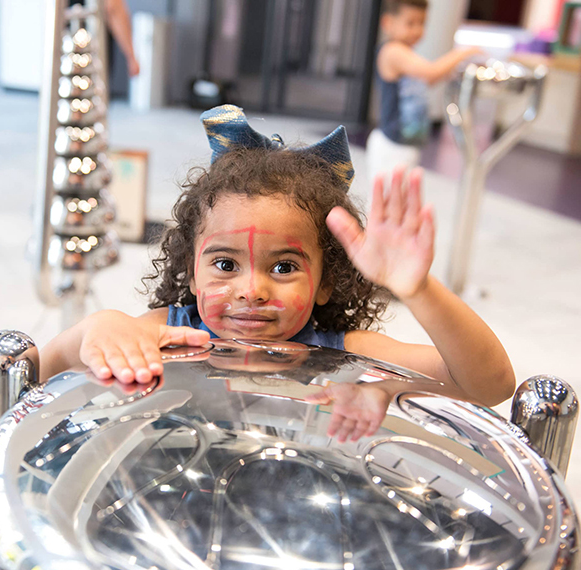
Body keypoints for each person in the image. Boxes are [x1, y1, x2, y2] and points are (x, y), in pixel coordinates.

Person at [40, 104, 515, 417]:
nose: (252, 290)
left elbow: (488, 385)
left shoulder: (345, 354)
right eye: (225, 265)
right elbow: (43, 371)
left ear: (327, 281)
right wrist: (96, 328)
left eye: (284, 267)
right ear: (191, 268)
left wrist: (419, 290)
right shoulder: (169, 332)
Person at [366, 0, 479, 187]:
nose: (417, 30)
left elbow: (432, 78)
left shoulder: (407, 53)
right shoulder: (392, 51)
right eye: (410, 23)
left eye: (422, 23)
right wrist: (463, 53)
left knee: (402, 200)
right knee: (387, 201)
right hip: (392, 145)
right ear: (388, 23)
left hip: (405, 144)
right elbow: (431, 72)